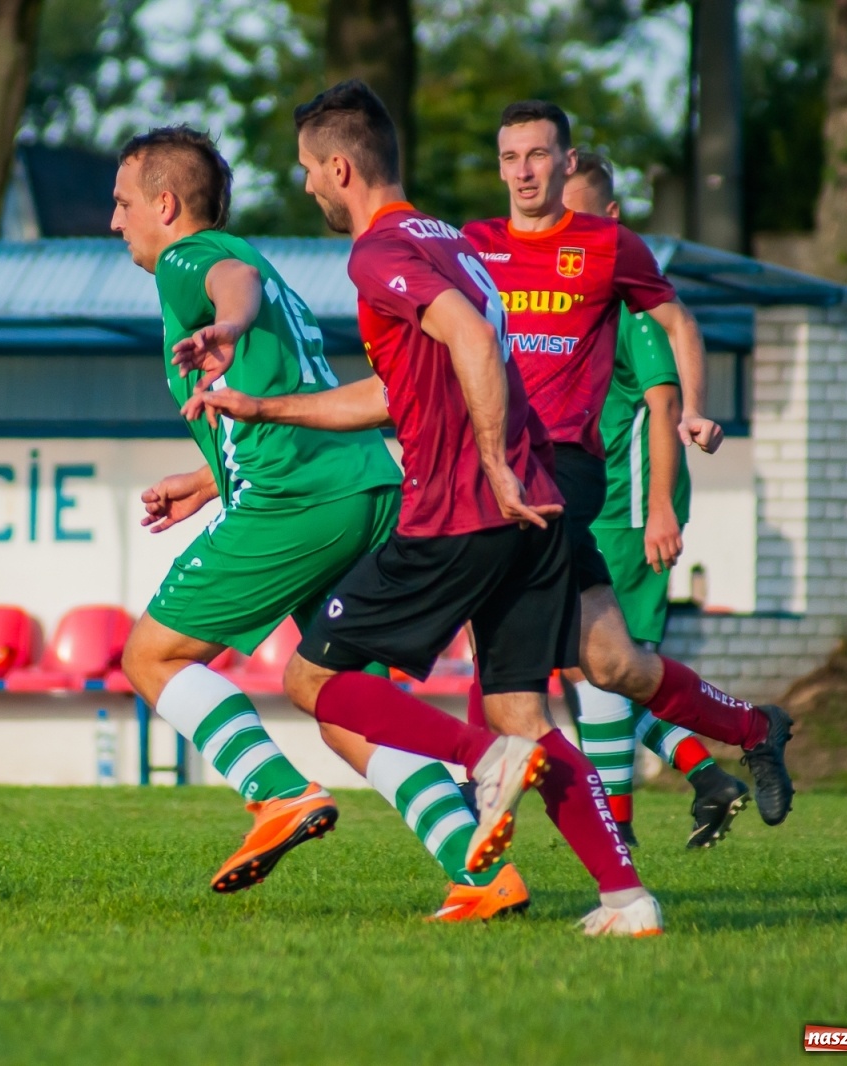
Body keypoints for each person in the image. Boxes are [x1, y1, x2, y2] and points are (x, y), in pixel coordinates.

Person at [189, 80, 665, 936]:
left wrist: (490, 463)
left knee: (313, 678)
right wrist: (264, 409)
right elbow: (396, 388)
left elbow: (474, 339)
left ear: (340, 167)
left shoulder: (374, 253)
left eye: (306, 171)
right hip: (536, 511)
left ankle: (484, 762)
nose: (304, 188)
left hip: (462, 515)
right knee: (526, 710)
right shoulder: (451, 239)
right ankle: (627, 900)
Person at [112, 125, 531, 922]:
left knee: (153, 656)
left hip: (298, 501)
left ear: (165, 205)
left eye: (123, 202)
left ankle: (275, 795)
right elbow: (283, 384)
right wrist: (207, 481)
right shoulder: (270, 266)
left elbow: (232, 283)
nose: (115, 220)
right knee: (345, 700)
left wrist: (226, 326)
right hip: (366, 483)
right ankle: (481, 874)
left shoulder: (191, 259)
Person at [454, 100, 794, 830]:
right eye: (510, 157)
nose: (523, 172)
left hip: (569, 472)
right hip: (498, 470)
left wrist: (698, 408)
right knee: (607, 663)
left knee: (515, 652)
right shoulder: (472, 245)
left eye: (537, 155)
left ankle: (493, 802)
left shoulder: (609, 248)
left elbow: (678, 321)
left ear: (564, 160)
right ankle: (752, 732)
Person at [560, 152, 751, 850]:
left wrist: (661, 512)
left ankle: (621, 829)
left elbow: (662, 402)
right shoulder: (584, 300)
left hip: (630, 509)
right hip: (601, 505)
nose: (564, 229)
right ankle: (704, 777)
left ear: (610, 219)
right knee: (589, 665)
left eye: (577, 214)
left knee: (606, 665)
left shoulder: (633, 300)